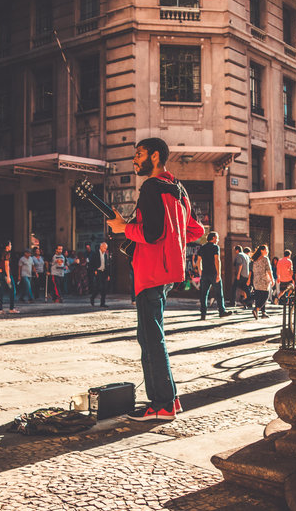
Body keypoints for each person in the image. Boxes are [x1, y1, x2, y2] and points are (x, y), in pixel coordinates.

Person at [106, 137, 204, 421]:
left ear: (155, 155)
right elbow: (195, 230)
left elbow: (150, 233)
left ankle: (161, 404)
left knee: (151, 339)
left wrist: (124, 228)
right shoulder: (177, 188)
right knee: (150, 336)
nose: (134, 160)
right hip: (168, 272)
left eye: (139, 154)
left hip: (150, 273)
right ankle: (169, 400)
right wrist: (172, 242)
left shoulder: (151, 186)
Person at [195, 232, 233, 321]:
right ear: (213, 238)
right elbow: (217, 260)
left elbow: (198, 261)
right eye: (217, 238)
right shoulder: (215, 247)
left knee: (204, 294)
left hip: (204, 274)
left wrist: (200, 272)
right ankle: (221, 311)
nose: (218, 240)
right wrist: (218, 274)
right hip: (213, 273)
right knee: (219, 293)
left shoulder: (202, 247)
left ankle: (203, 314)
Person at [0, 240, 19, 314]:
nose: (11, 246)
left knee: (0, 291)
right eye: (10, 244)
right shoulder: (7, 254)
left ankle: (0, 309)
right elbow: (7, 265)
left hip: (0, 274)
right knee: (13, 291)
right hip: (6, 274)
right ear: (7, 246)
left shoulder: (0, 253)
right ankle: (11, 308)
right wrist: (8, 276)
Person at [250, 245, 274, 320]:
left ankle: (260, 312)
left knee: (258, 297)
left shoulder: (254, 259)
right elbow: (269, 270)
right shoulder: (265, 259)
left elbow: (252, 271)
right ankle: (256, 309)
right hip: (264, 280)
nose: (267, 251)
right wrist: (272, 279)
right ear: (262, 250)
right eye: (266, 250)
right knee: (265, 296)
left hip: (256, 280)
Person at [89, 242, 111, 307]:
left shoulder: (105, 255)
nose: (105, 249)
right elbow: (91, 263)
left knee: (104, 288)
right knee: (98, 287)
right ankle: (92, 297)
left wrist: (108, 275)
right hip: (98, 272)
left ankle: (102, 303)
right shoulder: (95, 254)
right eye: (104, 248)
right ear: (101, 247)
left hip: (104, 272)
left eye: (106, 248)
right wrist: (95, 270)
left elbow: (107, 265)